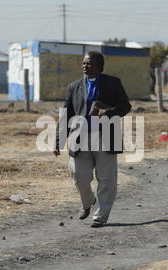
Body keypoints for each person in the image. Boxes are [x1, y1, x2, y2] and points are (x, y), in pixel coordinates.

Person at [54, 51, 132, 228]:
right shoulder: (74, 86)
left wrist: (107, 112)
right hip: (80, 138)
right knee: (78, 175)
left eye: (88, 63)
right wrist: (58, 140)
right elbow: (67, 115)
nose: (84, 66)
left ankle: (101, 215)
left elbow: (126, 106)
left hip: (105, 138)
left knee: (107, 179)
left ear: (99, 66)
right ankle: (88, 201)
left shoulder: (113, 83)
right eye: (83, 63)